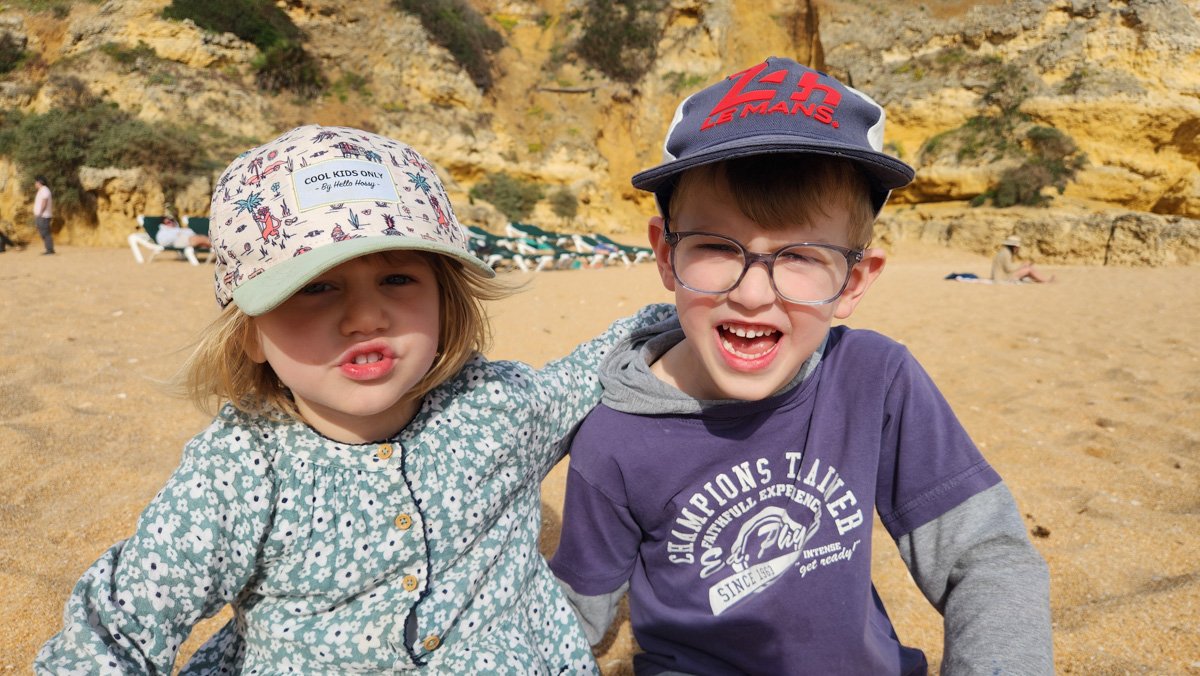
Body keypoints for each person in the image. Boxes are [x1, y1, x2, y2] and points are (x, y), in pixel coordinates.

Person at [35, 124, 671, 673]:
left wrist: (685, 315)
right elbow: (117, 627)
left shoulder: (497, 410)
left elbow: (595, 366)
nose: (366, 316)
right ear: (249, 333)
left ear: (446, 302)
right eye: (316, 287)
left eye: (397, 277)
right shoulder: (239, 472)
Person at [549, 57, 1053, 674]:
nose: (752, 294)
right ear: (664, 254)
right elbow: (570, 619)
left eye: (802, 256)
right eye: (716, 246)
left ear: (854, 282)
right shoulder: (616, 436)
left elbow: (986, 557)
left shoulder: (874, 380)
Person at [32, 175, 53, 255]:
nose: (35, 184)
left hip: (43, 215)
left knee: (45, 233)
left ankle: (50, 250)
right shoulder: (42, 190)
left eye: (36, 182)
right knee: (43, 232)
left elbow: (44, 201)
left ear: (40, 182)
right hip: (41, 215)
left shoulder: (44, 190)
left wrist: (40, 213)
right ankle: (49, 249)